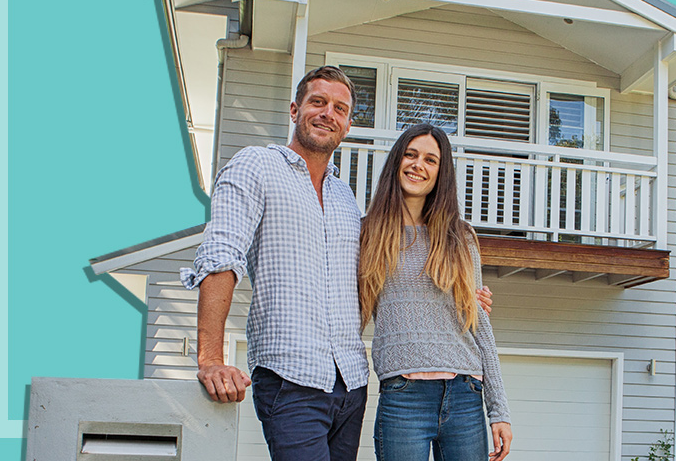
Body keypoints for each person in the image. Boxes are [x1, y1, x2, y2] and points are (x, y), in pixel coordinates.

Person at [181, 66, 492, 461]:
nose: (328, 113)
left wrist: (457, 297)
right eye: (318, 102)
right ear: (295, 109)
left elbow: (376, 281)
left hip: (350, 384)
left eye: (340, 108)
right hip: (290, 378)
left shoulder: (344, 198)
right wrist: (210, 358)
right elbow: (222, 255)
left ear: (347, 125)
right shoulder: (256, 165)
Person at [359, 123, 512, 461]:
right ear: (397, 161)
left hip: (465, 394)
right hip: (403, 396)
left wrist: (499, 410)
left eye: (431, 160)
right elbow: (351, 311)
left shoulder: (461, 236)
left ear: (441, 173)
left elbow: (479, 324)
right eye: (411, 155)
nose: (418, 165)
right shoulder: (368, 233)